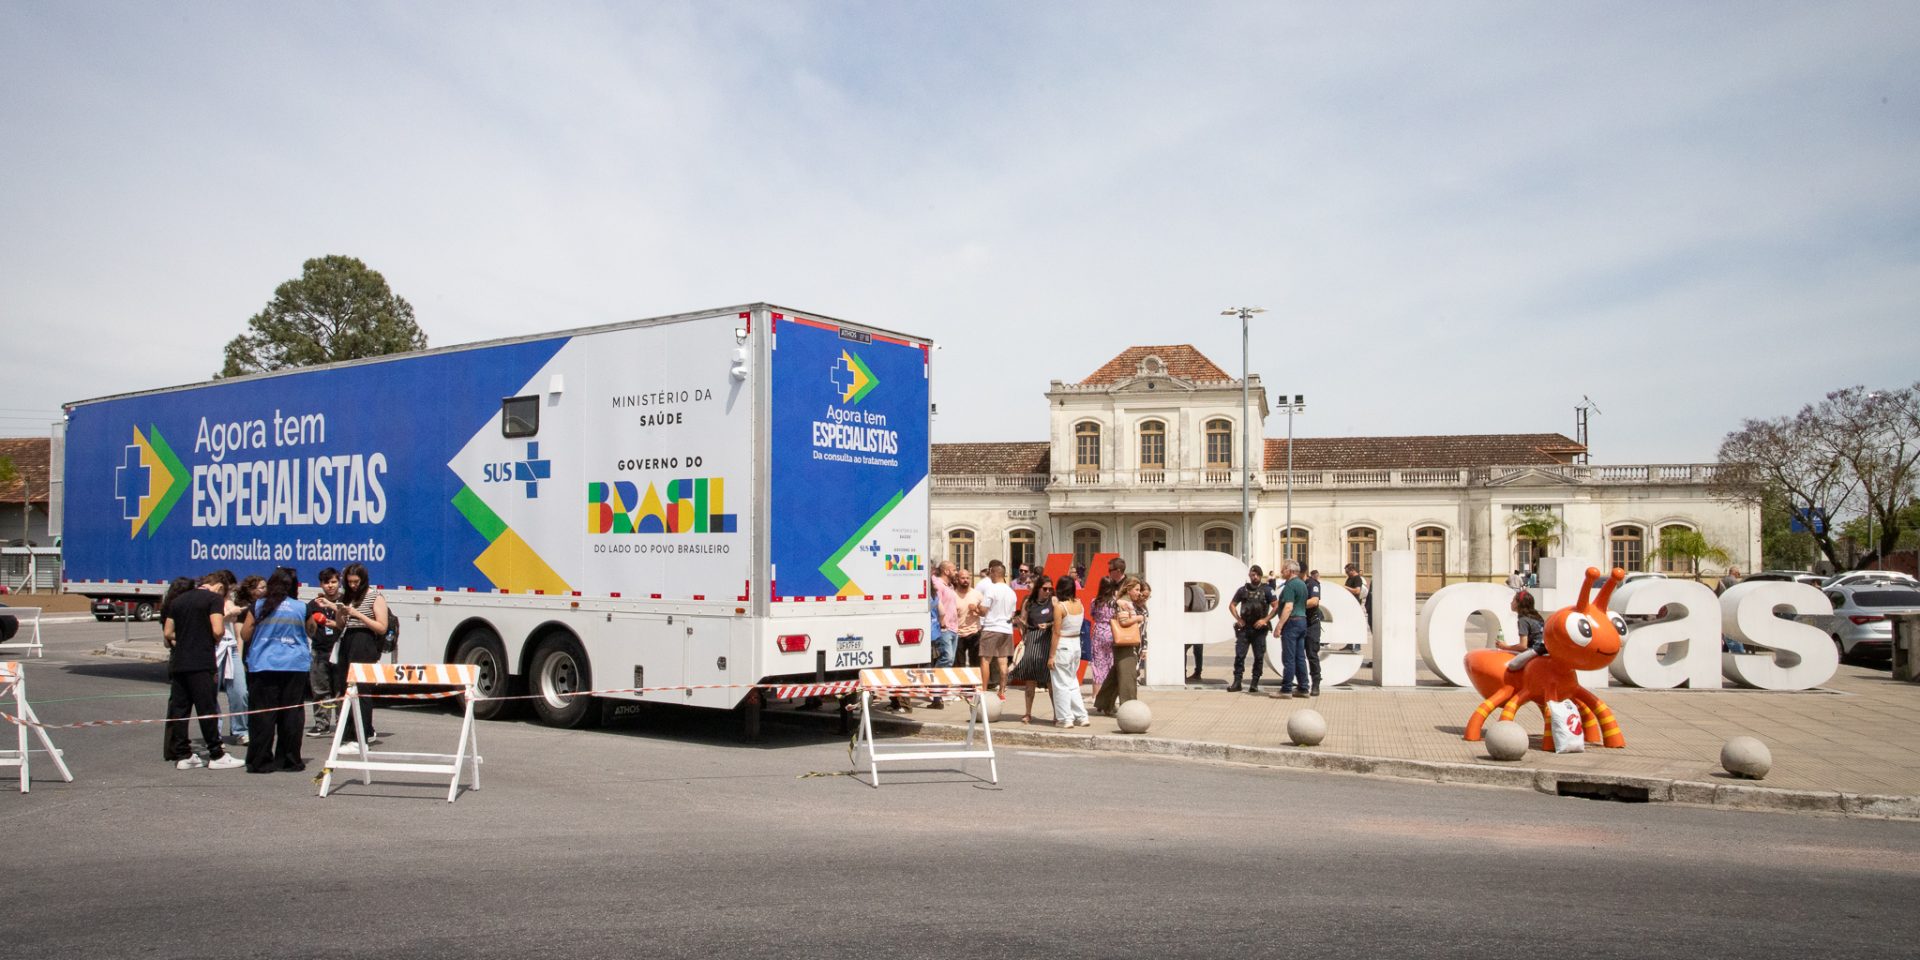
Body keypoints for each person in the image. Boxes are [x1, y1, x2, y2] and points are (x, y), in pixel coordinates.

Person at [162, 572, 244, 770]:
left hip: (179, 662)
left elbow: (168, 632)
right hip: (202, 661)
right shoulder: (213, 600)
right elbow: (218, 630)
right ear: (219, 587)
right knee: (207, 708)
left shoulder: (178, 601)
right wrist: (210, 639)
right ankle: (216, 754)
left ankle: (183, 755)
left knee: (181, 709)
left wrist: (185, 638)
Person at [242, 567, 313, 773]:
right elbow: (311, 631)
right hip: (294, 666)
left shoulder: (258, 605)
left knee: (263, 715)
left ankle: (260, 761)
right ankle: (289, 760)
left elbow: (245, 634)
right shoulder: (301, 607)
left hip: (264, 665)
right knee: (291, 715)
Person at [324, 562, 389, 750]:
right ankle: (349, 732)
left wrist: (357, 614)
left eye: (356, 582)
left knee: (361, 688)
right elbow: (340, 624)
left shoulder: (374, 596)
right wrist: (340, 612)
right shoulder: (347, 596)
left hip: (364, 641)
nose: (353, 585)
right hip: (347, 640)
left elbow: (381, 627)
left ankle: (363, 734)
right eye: (350, 582)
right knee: (346, 687)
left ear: (363, 580)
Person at [1094, 577, 1144, 715]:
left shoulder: (1124, 601)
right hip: (1125, 643)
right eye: (1136, 590)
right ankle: (1129, 708)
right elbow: (1123, 621)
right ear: (1129, 589)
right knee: (1128, 676)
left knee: (1117, 675)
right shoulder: (1125, 603)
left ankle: (1104, 703)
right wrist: (1139, 618)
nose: (1139, 593)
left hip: (1125, 643)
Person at [1008, 576, 1055, 723]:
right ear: (1038, 588)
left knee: (1050, 681)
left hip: (1048, 640)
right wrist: (1019, 623)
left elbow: (1059, 620)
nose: (1048, 591)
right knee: (1030, 680)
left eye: (1050, 589)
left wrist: (1048, 625)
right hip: (1033, 640)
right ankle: (1028, 713)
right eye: (1045, 589)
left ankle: (1057, 714)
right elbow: (1023, 622)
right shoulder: (1029, 602)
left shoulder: (1053, 601)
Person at [305, 567, 345, 736]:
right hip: (319, 650)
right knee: (320, 689)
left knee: (341, 689)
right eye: (326, 582)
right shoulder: (313, 604)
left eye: (333, 582)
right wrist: (313, 625)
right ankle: (321, 723)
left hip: (340, 650)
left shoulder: (344, 602)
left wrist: (336, 624)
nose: (330, 586)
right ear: (321, 584)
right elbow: (308, 629)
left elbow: (351, 623)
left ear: (339, 582)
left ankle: (342, 724)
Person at [1047, 576, 1090, 727]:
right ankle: (1081, 716)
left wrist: (1051, 656)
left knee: (1060, 684)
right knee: (1072, 681)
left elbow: (1056, 632)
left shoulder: (1060, 607)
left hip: (1063, 644)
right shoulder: (1079, 603)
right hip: (1076, 643)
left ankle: (1065, 718)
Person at [215, 571, 251, 747]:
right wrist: (229, 614)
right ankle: (214, 734)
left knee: (240, 691)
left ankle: (241, 730)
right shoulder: (210, 601)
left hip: (231, 647)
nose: (231, 591)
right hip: (215, 648)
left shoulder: (229, 600)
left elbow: (237, 626)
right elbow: (213, 623)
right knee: (210, 693)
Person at [1228, 566, 1274, 693]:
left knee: (1259, 656)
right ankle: (1237, 682)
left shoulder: (1267, 590)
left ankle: (1254, 682)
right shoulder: (1243, 590)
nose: (1254, 577)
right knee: (1239, 655)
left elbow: (1276, 606)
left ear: (1260, 575)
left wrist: (1265, 620)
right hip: (1245, 628)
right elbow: (1232, 605)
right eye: (1252, 575)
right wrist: (1238, 619)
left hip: (1259, 629)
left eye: (1257, 575)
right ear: (1249, 575)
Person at [977, 561, 1019, 697]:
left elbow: (983, 611)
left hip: (991, 627)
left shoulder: (991, 589)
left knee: (985, 660)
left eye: (990, 573)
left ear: (994, 573)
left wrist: (975, 608)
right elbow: (1012, 613)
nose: (990, 576)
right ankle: (1002, 690)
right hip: (1006, 629)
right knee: (1003, 661)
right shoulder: (1011, 592)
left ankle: (983, 690)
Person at [1274, 561, 1311, 698]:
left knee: (1288, 658)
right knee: (1300, 657)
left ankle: (1286, 689)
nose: (1281, 572)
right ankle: (1303, 687)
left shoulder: (1290, 585)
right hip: (1302, 621)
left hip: (1291, 623)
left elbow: (1288, 607)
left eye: (1283, 569)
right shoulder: (1302, 584)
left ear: (1290, 571)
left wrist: (1279, 626)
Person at [1086, 575, 1119, 694]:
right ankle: (1110, 694)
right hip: (1111, 632)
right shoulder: (1115, 603)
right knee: (1111, 662)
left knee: (1097, 664)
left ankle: (1096, 694)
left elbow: (1093, 615)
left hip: (1098, 632)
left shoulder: (1095, 602)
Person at [1502, 590, 1548, 671]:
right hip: (1545, 649)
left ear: (1518, 604)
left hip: (1536, 650)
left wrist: (1505, 647)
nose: (1511, 602)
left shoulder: (1523, 620)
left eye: (1513, 600)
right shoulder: (1537, 616)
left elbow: (1523, 646)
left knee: (1512, 665)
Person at [953, 569, 984, 672]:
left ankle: (975, 681)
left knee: (975, 663)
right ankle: (960, 681)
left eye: (967, 578)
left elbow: (984, 613)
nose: (965, 580)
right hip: (958, 633)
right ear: (957, 579)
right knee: (959, 664)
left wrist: (976, 609)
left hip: (974, 632)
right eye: (962, 578)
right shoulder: (952, 595)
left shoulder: (977, 594)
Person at [1300, 569, 1324, 696]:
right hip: (1298, 623)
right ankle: (1302, 683)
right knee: (1298, 656)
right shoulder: (1294, 583)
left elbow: (1314, 601)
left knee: (1311, 654)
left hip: (1311, 624)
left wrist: (1297, 605)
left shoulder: (1312, 584)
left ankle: (1316, 683)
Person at [1184, 580, 1211, 682]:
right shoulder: (1201, 589)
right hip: (1200, 623)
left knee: (1183, 649)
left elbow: (1185, 608)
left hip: (1190, 624)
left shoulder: (1188, 590)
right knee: (1198, 650)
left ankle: (1183, 672)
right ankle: (1198, 672)